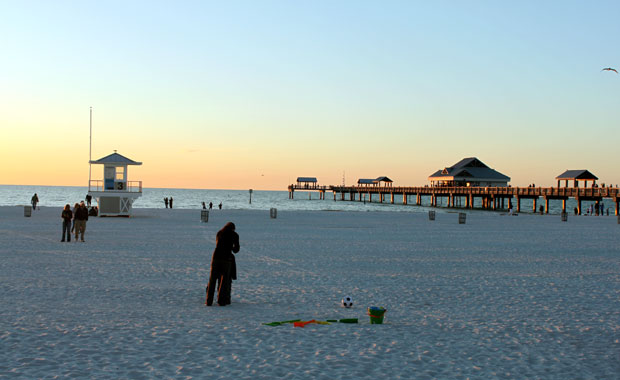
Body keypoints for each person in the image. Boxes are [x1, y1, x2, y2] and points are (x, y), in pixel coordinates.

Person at [205, 222, 240, 306]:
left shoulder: (219, 233)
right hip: (226, 259)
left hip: (216, 258)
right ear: (233, 228)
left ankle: (208, 301)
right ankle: (221, 301)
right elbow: (236, 250)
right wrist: (231, 247)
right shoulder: (234, 235)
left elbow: (218, 244)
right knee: (224, 281)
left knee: (212, 280)